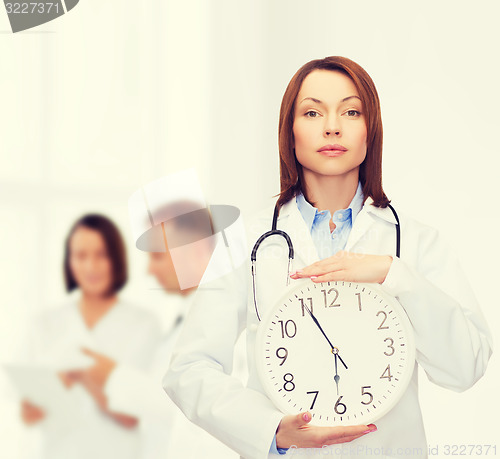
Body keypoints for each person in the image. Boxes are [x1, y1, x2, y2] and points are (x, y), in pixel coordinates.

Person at [163, 56, 493, 459]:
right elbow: (189, 369)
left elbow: (466, 367)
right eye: (313, 111)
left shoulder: (417, 243)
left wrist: (395, 275)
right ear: (291, 131)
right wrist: (272, 430)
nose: (332, 126)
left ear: (370, 131)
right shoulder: (246, 241)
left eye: (351, 111)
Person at [67, 203, 243, 458]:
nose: (150, 270)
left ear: (195, 249)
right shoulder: (185, 319)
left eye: (157, 256)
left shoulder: (231, 322)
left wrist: (112, 376)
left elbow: (196, 407)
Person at [20, 214, 161, 459]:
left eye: (101, 255)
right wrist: (34, 405)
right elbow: (28, 415)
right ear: (69, 261)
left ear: (116, 260)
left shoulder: (144, 324)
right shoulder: (44, 323)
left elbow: (133, 415)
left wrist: (83, 374)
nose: (90, 267)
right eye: (81, 256)